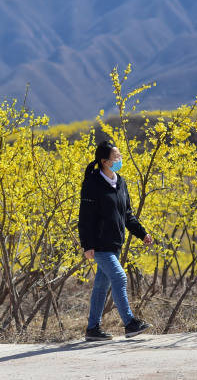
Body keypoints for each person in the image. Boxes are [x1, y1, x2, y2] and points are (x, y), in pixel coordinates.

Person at [78, 140, 154, 340]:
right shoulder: (92, 183)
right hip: (100, 244)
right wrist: (87, 245)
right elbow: (85, 217)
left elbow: (127, 214)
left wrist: (142, 233)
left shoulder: (120, 182)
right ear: (104, 161)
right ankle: (129, 323)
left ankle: (92, 329)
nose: (120, 160)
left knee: (101, 286)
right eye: (116, 157)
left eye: (119, 156)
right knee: (119, 277)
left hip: (115, 243)